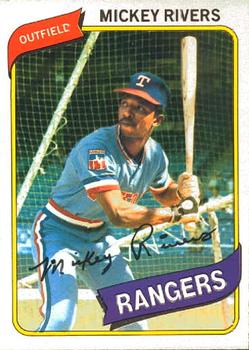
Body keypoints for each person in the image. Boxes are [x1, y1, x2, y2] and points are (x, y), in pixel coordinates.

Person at [31, 72, 200, 331]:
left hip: (98, 239)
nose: (128, 112)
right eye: (125, 104)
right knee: (60, 319)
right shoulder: (97, 148)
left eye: (140, 108)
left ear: (158, 119)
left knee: (135, 320)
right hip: (58, 234)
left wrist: (181, 192)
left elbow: (164, 191)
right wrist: (175, 215)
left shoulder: (155, 155)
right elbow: (119, 214)